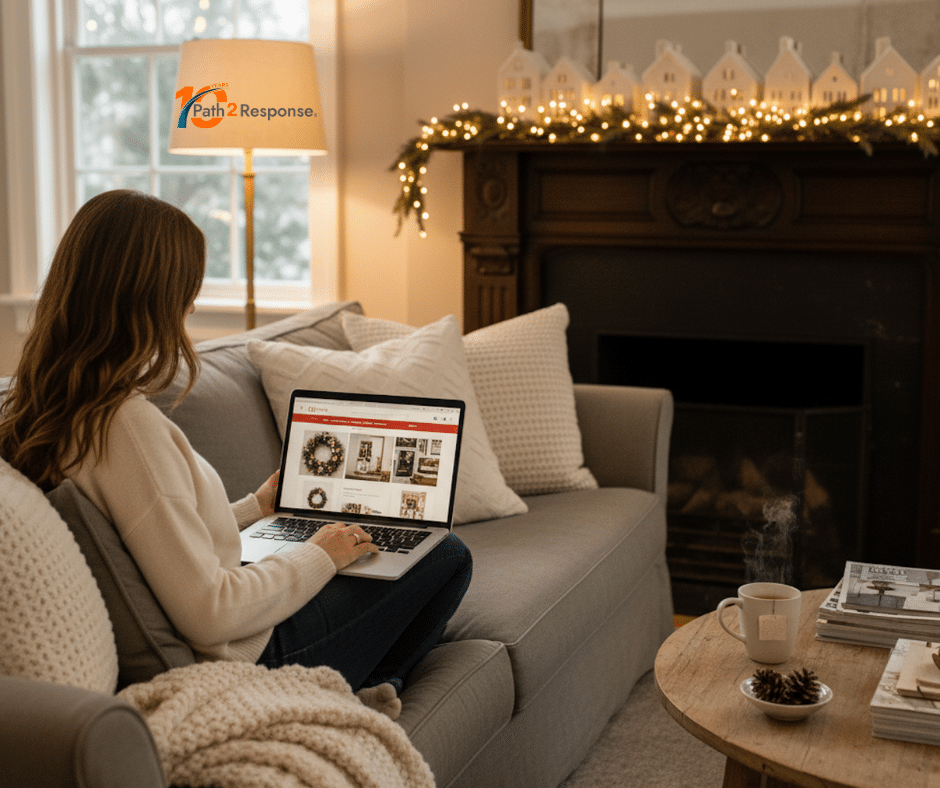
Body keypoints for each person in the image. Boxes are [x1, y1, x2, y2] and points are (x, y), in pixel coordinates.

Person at [0, 190, 472, 713]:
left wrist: (256, 509)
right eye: (186, 289)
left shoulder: (53, 406)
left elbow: (158, 540)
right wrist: (321, 554)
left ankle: (358, 685)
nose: (193, 304)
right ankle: (356, 694)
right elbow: (211, 611)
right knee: (445, 554)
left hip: (239, 633)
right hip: (249, 655)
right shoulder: (124, 425)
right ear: (152, 295)